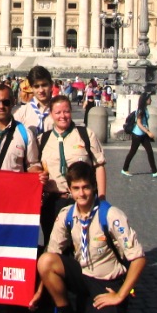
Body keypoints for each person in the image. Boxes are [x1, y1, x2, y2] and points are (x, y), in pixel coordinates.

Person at [32, 162, 146, 313]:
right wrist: (39, 291)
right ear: (69, 190)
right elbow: (52, 252)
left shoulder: (111, 215)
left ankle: (107, 308)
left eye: (85, 187)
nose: (82, 193)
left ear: (94, 186)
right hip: (83, 276)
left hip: (107, 282)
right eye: (76, 188)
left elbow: (139, 259)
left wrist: (119, 295)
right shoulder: (66, 215)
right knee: (45, 261)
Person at [37, 95, 106, 239]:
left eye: (66, 111)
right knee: (55, 244)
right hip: (53, 201)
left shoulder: (86, 135)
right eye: (58, 112)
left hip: (82, 199)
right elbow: (34, 168)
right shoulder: (42, 140)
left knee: (83, 242)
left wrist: (102, 198)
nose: (62, 116)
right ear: (51, 114)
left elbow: (99, 165)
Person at [121, 93, 157, 177]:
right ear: (145, 100)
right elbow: (139, 123)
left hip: (142, 134)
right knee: (132, 152)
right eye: (149, 99)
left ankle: (154, 171)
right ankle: (124, 169)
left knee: (150, 151)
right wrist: (148, 132)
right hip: (137, 134)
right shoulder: (140, 110)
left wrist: (146, 131)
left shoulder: (145, 109)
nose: (151, 100)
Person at [14, 66, 54, 135]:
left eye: (44, 85)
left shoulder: (60, 111)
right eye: (36, 86)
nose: (41, 90)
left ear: (51, 85)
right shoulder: (22, 113)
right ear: (31, 88)